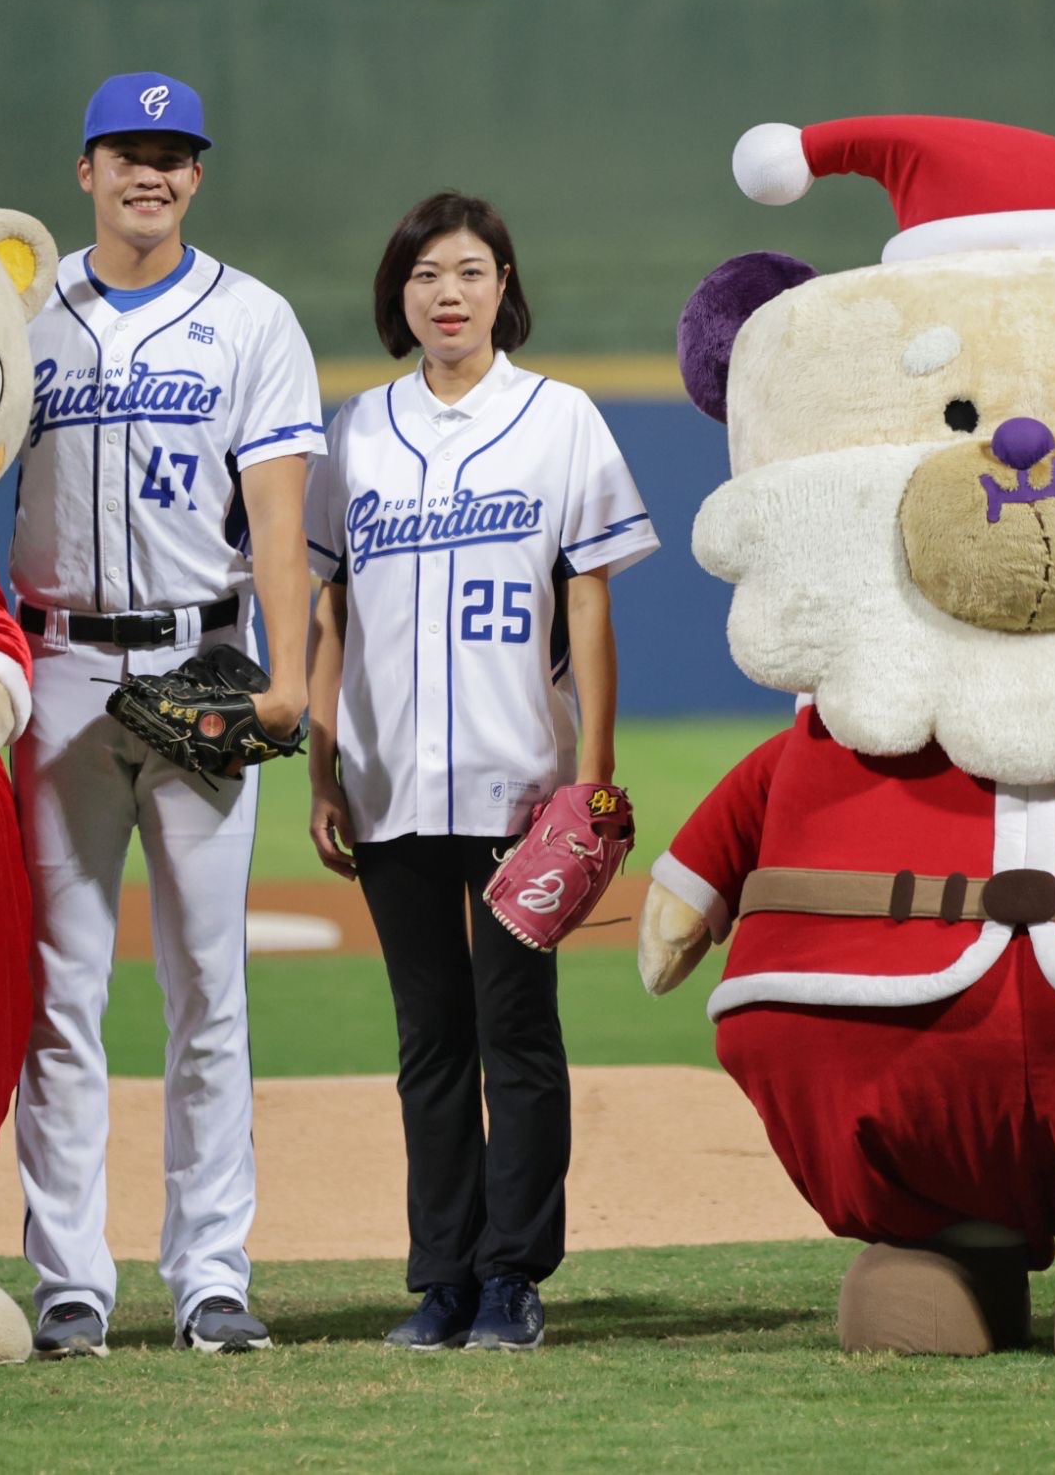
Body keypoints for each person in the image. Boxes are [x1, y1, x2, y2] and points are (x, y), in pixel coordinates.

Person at [305, 192, 657, 1352]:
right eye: (423, 274)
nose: (445, 292)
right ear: (396, 295)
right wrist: (319, 763)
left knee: (516, 1030)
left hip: (521, 786)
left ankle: (513, 1275)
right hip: (390, 781)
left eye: (467, 270)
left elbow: (589, 602)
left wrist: (592, 778)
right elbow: (327, 612)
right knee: (428, 1039)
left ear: (505, 284)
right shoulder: (352, 431)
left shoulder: (559, 419)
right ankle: (442, 1277)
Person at [9, 72, 325, 1357]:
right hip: (56, 669)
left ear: (198, 174)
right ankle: (69, 1279)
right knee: (57, 988)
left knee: (208, 988)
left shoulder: (250, 318)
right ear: (82, 167)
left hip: (202, 661)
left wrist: (287, 673)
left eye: (173, 153)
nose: (151, 171)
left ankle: (209, 1273)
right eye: (127, 151)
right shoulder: (19, 311)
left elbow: (284, 518)